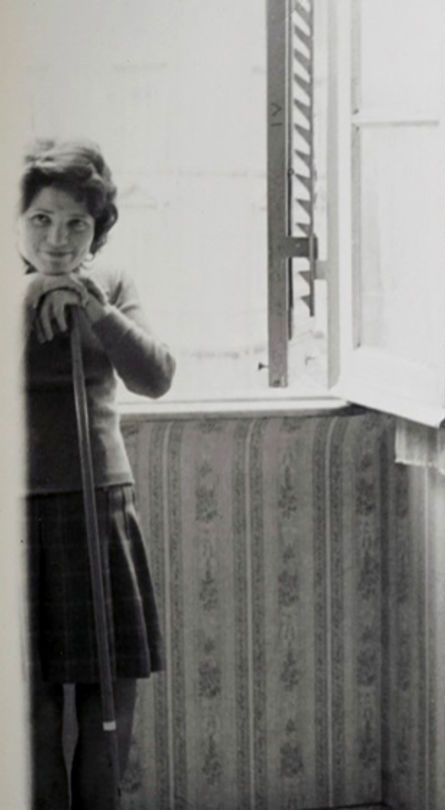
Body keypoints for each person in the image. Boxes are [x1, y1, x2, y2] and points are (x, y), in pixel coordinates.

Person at [21, 139, 175, 809]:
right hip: (18, 513)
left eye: (77, 224)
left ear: (98, 228)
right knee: (31, 708)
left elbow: (157, 377)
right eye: (41, 221)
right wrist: (29, 297)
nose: (58, 239)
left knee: (108, 701)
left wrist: (96, 309)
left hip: (101, 506)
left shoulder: (112, 283)